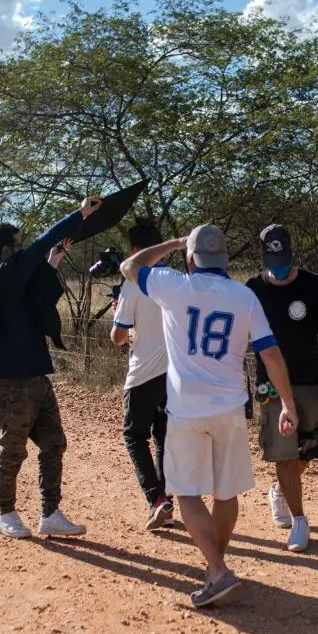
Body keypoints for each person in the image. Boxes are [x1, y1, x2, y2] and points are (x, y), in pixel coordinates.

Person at [120, 224, 298, 608]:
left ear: (190, 257)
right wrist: (287, 403)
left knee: (185, 492)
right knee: (226, 492)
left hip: (186, 411)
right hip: (231, 409)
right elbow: (270, 354)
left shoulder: (173, 285)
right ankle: (215, 566)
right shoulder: (245, 296)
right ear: (225, 259)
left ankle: (216, 570)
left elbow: (129, 266)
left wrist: (170, 243)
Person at [0, 196, 101, 540]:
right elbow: (39, 246)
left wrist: (52, 263)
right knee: (14, 448)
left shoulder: (14, 283)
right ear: (6, 252)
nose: (26, 251)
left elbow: (37, 298)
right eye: (19, 246)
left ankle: (50, 513)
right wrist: (79, 214)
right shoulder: (0, 276)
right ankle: (4, 512)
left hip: (37, 376)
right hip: (12, 381)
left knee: (54, 444)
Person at [245, 224, 318, 553]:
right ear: (262, 256)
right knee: (283, 452)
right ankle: (299, 520)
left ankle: (281, 489)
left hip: (309, 382)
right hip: (270, 387)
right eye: (270, 258)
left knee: (311, 447)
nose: (276, 266)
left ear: (293, 254)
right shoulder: (252, 289)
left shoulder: (313, 285)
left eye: (281, 257)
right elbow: (238, 338)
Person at [110, 218, 174, 531]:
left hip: (143, 373)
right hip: (174, 374)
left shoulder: (132, 283)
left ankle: (156, 499)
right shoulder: (176, 278)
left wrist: (119, 318)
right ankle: (167, 501)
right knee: (163, 436)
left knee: (134, 435)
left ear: (135, 250)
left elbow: (118, 337)